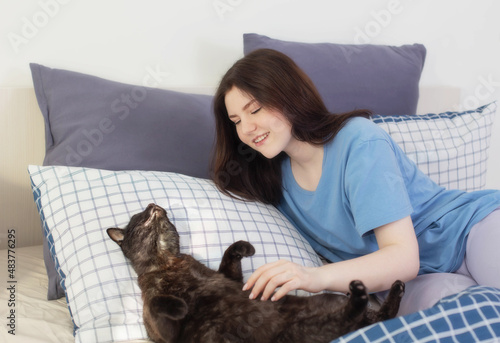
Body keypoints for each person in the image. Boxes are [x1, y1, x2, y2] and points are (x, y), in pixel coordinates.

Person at [211, 48, 500, 315]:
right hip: (405, 283)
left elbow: (402, 257)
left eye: (255, 109)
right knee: (471, 320)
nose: (247, 128)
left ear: (288, 96)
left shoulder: (357, 139)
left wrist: (312, 277)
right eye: (236, 121)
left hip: (467, 231)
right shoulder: (272, 186)